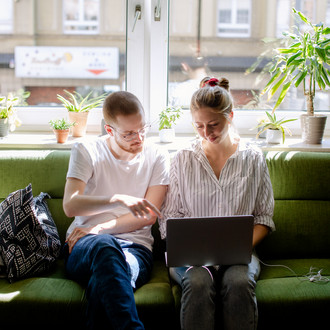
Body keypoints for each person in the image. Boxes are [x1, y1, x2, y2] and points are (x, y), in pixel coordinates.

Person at [159, 77, 275, 330]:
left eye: (213, 124)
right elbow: (169, 218)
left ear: (230, 116)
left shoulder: (253, 157)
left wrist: (237, 248)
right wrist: (190, 249)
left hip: (239, 255)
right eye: (198, 125)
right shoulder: (182, 158)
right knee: (198, 281)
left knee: (238, 282)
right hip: (191, 257)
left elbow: (264, 217)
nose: (206, 132)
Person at [63, 91, 169, 330]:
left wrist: (99, 227)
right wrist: (118, 199)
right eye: (129, 133)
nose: (139, 138)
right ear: (110, 131)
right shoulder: (87, 150)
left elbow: (149, 215)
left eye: (143, 129)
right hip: (86, 246)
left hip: (135, 249)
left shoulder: (157, 156)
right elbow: (70, 204)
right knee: (104, 246)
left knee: (103, 283)